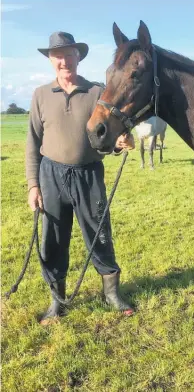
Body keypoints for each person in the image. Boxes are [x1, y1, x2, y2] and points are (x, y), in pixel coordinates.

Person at [26, 31, 135, 325]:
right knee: (53, 238)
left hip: (88, 174)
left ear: (78, 57)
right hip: (51, 175)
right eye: (58, 55)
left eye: (69, 54)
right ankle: (57, 301)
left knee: (99, 233)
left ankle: (111, 293)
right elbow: (33, 144)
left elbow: (109, 134)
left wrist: (120, 142)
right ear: (51, 60)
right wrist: (33, 185)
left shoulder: (96, 92)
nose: (64, 61)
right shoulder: (40, 95)